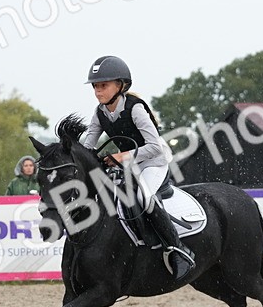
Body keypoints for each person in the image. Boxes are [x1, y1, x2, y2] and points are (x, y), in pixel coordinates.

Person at [79, 54, 196, 281]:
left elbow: (155, 148)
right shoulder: (99, 112)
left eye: (103, 86)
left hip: (154, 161)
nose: (98, 91)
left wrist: (122, 157)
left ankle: (179, 250)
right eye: (95, 86)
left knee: (144, 198)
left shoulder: (135, 109)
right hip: (130, 165)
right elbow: (87, 145)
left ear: (120, 85)